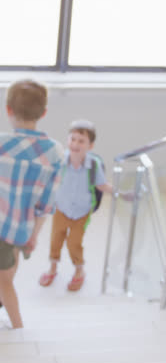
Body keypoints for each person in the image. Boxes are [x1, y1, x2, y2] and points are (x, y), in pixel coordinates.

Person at [0, 80, 63, 328]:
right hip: (22, 228)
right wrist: (35, 234)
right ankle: (12, 316)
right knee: (8, 270)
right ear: (43, 113)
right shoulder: (55, 153)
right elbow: (46, 204)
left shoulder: (1, 144)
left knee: (4, 279)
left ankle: (17, 327)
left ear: (8, 110)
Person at [39, 119, 130, 291]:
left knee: (74, 243)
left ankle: (79, 270)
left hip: (81, 212)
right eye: (72, 139)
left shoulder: (93, 165)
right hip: (61, 208)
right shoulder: (60, 160)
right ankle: (53, 268)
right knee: (55, 240)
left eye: (81, 141)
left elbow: (102, 185)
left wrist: (123, 194)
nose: (75, 144)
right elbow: (49, 178)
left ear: (90, 146)